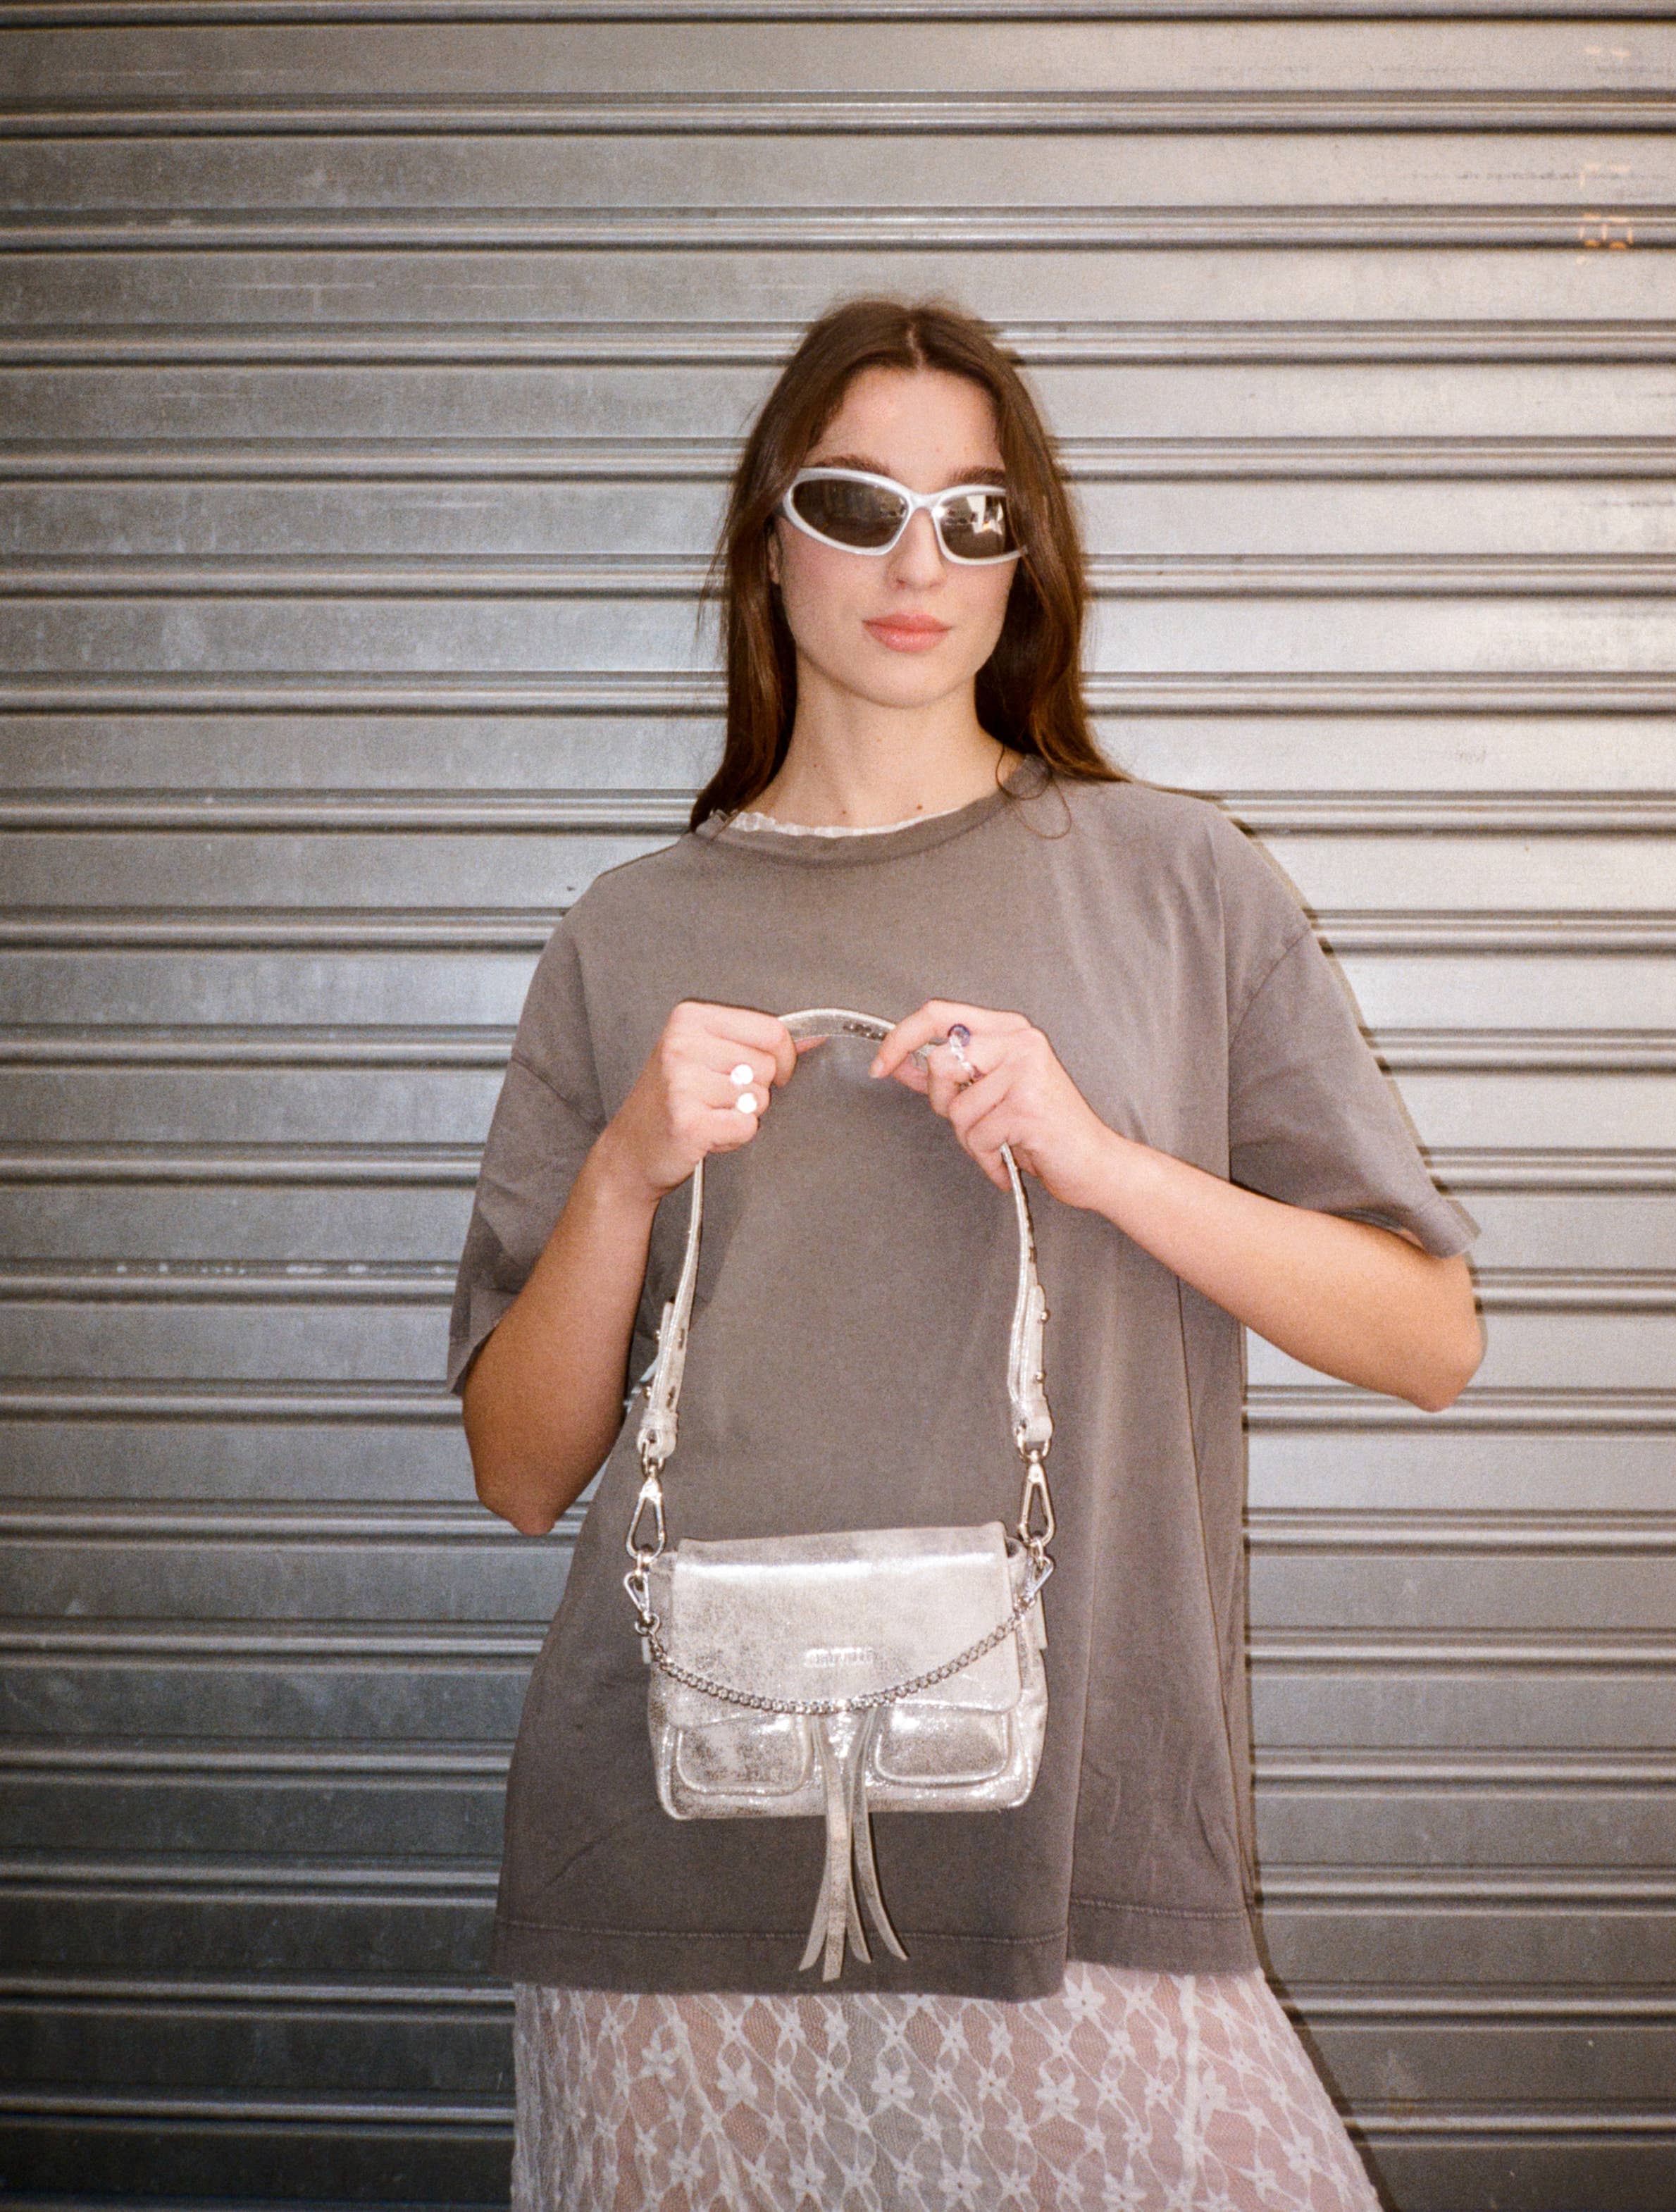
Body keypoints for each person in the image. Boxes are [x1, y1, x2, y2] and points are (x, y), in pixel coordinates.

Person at [449, 294, 1484, 2210]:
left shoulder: (1178, 882)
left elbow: (1430, 1338)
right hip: (676, 1869)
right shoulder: (627, 929)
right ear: (770, 539)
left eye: (973, 515)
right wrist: (623, 1172)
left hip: (1080, 1854)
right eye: (857, 504)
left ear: (1028, 553)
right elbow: (519, 1470)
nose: (917, 563)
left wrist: (1101, 1161)